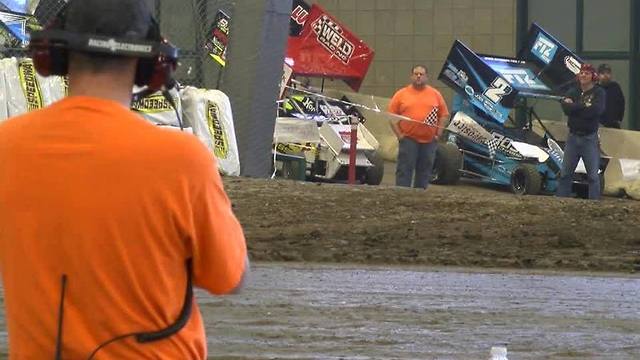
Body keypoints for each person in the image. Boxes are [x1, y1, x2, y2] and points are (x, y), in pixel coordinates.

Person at [0, 0, 248, 359]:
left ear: (52, 54)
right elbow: (231, 277)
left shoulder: (7, 148)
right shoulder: (183, 160)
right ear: (153, 64)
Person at [389, 64, 449, 189]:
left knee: (425, 171)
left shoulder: (435, 94)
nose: (418, 76)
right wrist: (399, 135)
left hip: (429, 141)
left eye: (421, 74)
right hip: (408, 139)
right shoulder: (401, 94)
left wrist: (438, 133)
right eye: (416, 74)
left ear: (426, 77)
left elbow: (444, 115)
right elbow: (392, 116)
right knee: (404, 170)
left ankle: (420, 197)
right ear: (411, 76)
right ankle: (402, 195)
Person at [556, 63, 605, 200]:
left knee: (593, 176)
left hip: (589, 138)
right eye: (582, 72)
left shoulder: (599, 92)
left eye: (587, 73)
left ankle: (594, 204)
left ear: (593, 77)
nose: (583, 75)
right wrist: (583, 106)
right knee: (565, 173)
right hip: (572, 137)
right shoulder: (573, 91)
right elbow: (566, 109)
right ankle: (561, 202)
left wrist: (574, 107)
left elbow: (596, 111)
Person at [597, 63, 625, 129]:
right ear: (598, 75)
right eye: (603, 73)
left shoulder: (615, 87)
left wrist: (619, 119)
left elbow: (621, 103)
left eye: (608, 73)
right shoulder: (595, 88)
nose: (606, 75)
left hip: (614, 124)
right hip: (599, 125)